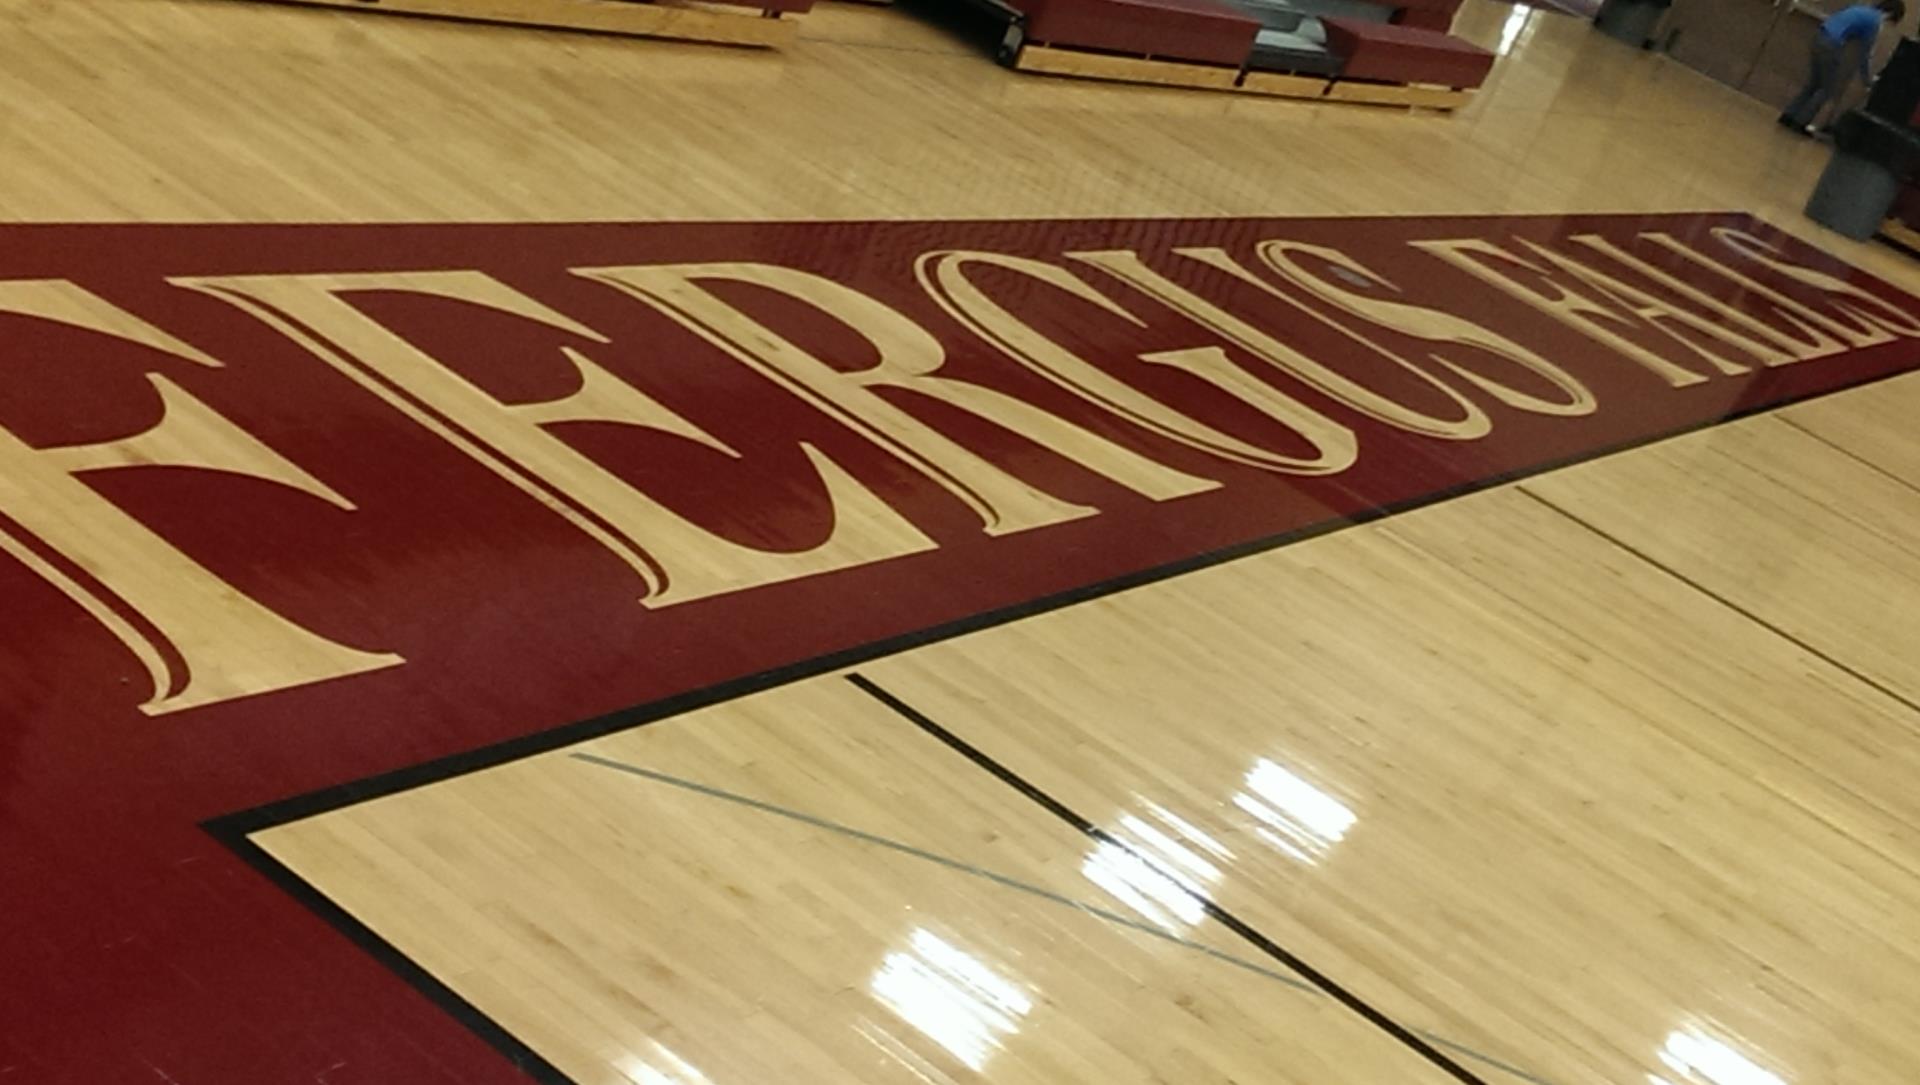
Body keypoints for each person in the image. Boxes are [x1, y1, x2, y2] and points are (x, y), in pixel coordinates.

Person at [1780, 0, 1906, 134]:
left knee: (1813, 84)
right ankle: (1800, 122)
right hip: (1831, 45)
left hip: (1819, 36)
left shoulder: (1860, 8)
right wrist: (1867, 80)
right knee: (1827, 89)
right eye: (1889, 22)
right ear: (1890, 14)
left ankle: (1788, 115)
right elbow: (1865, 54)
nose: (1886, 24)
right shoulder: (1874, 22)